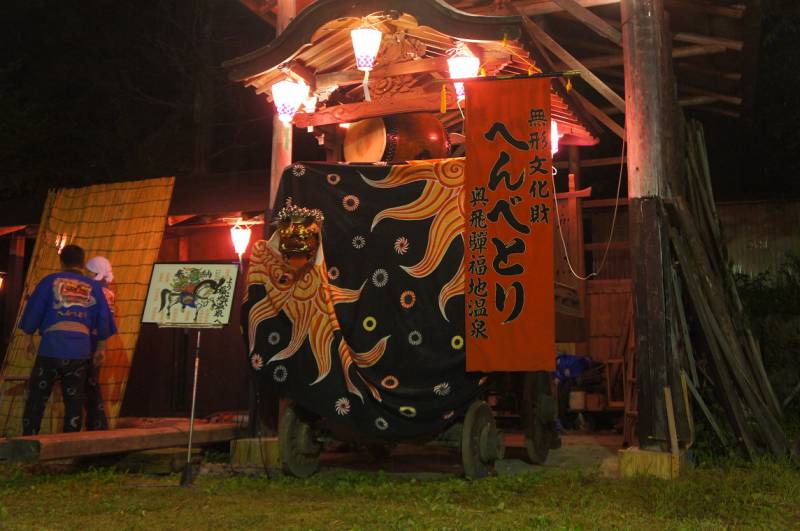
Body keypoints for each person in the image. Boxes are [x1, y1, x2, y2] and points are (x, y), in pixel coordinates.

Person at [19, 244, 116, 436]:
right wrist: (101, 348)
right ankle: (69, 448)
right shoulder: (95, 288)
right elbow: (104, 318)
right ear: (82, 263)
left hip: (51, 348)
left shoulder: (49, 281)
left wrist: (28, 337)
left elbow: (35, 309)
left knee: (37, 398)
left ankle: (27, 444)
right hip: (79, 351)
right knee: (74, 400)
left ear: (61, 262)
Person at [84, 255, 116, 430]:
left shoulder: (91, 290)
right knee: (91, 383)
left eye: (87, 271)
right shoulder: (109, 292)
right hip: (100, 342)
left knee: (86, 386)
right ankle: (96, 425)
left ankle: (97, 426)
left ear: (94, 272)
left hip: (87, 341)